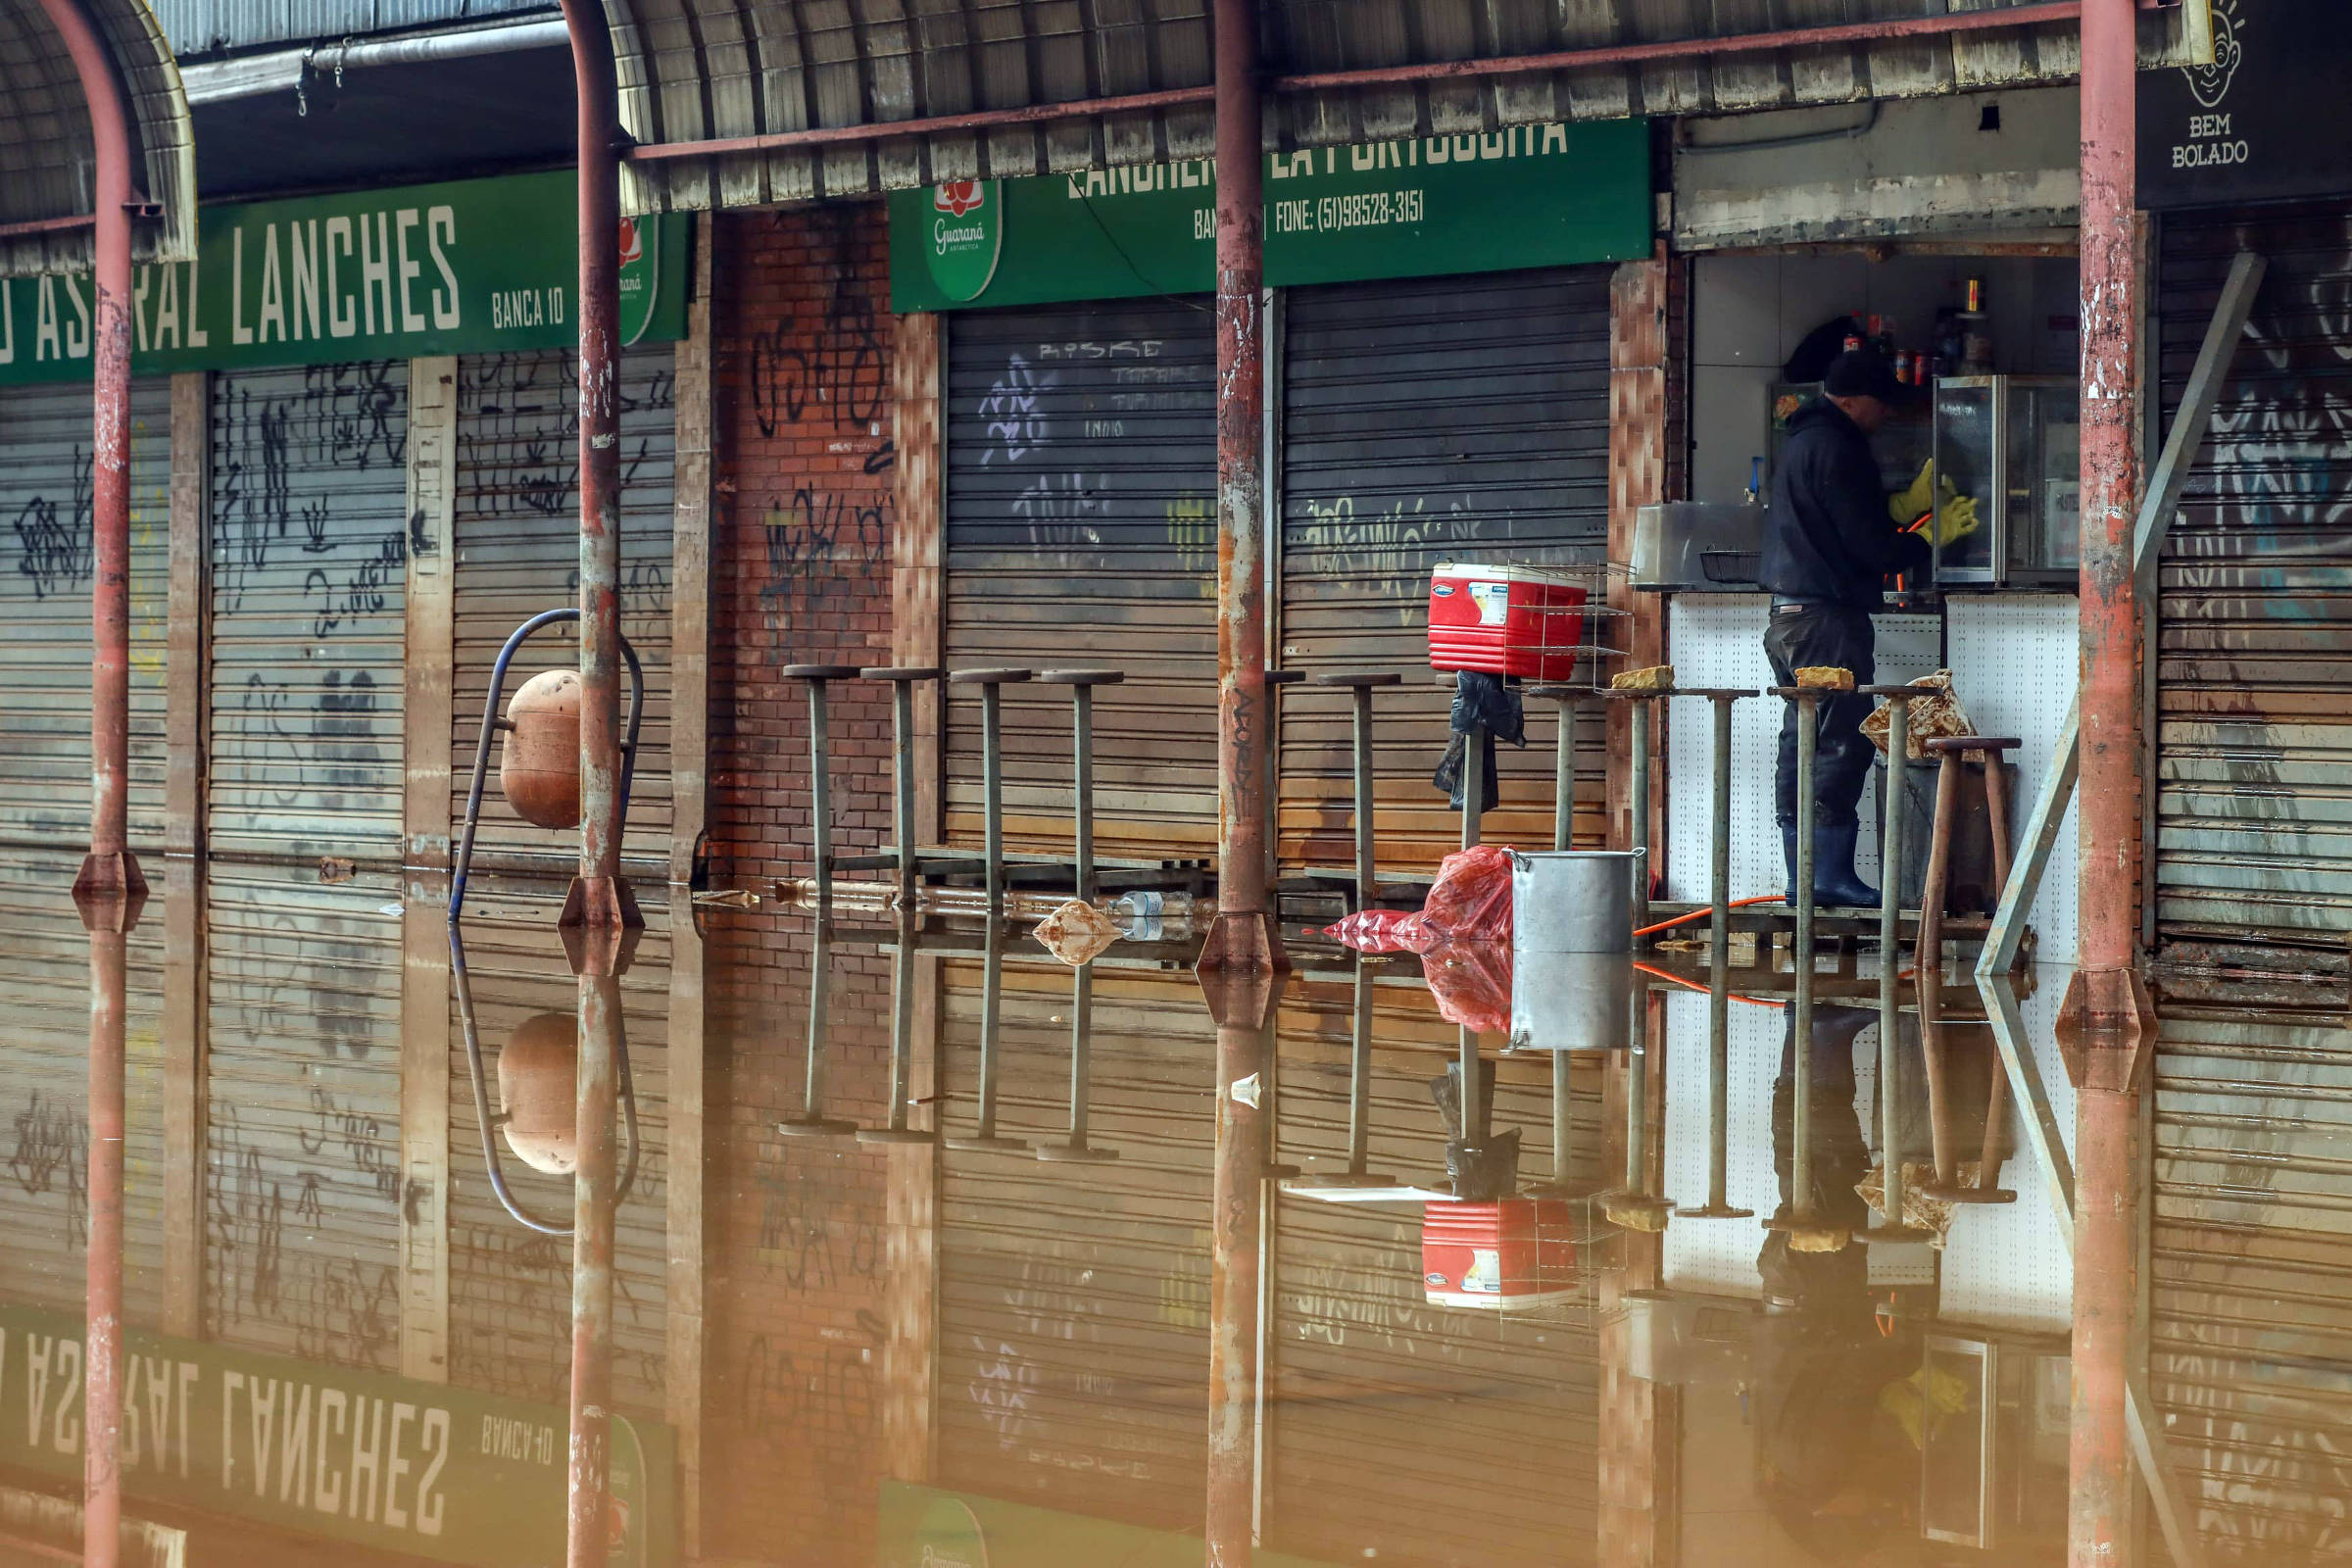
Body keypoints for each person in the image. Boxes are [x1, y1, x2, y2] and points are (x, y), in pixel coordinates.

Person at [1759, 349, 1932, 907]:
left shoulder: (1802, 442)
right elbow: (1870, 544)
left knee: (1803, 740)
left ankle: (1803, 877)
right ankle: (1826, 877)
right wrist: (1922, 541)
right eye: (1881, 405)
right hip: (1826, 619)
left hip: (1788, 618)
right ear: (1853, 401)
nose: (1885, 417)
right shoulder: (1839, 446)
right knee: (1836, 743)